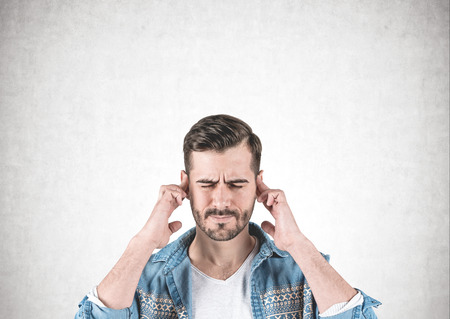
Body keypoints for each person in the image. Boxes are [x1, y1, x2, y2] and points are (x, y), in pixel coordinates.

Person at [75, 114, 381, 319]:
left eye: (236, 184)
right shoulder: (145, 280)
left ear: (258, 184)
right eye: (206, 184)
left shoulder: (299, 273)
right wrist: (142, 243)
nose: (221, 199)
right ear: (185, 184)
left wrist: (299, 244)